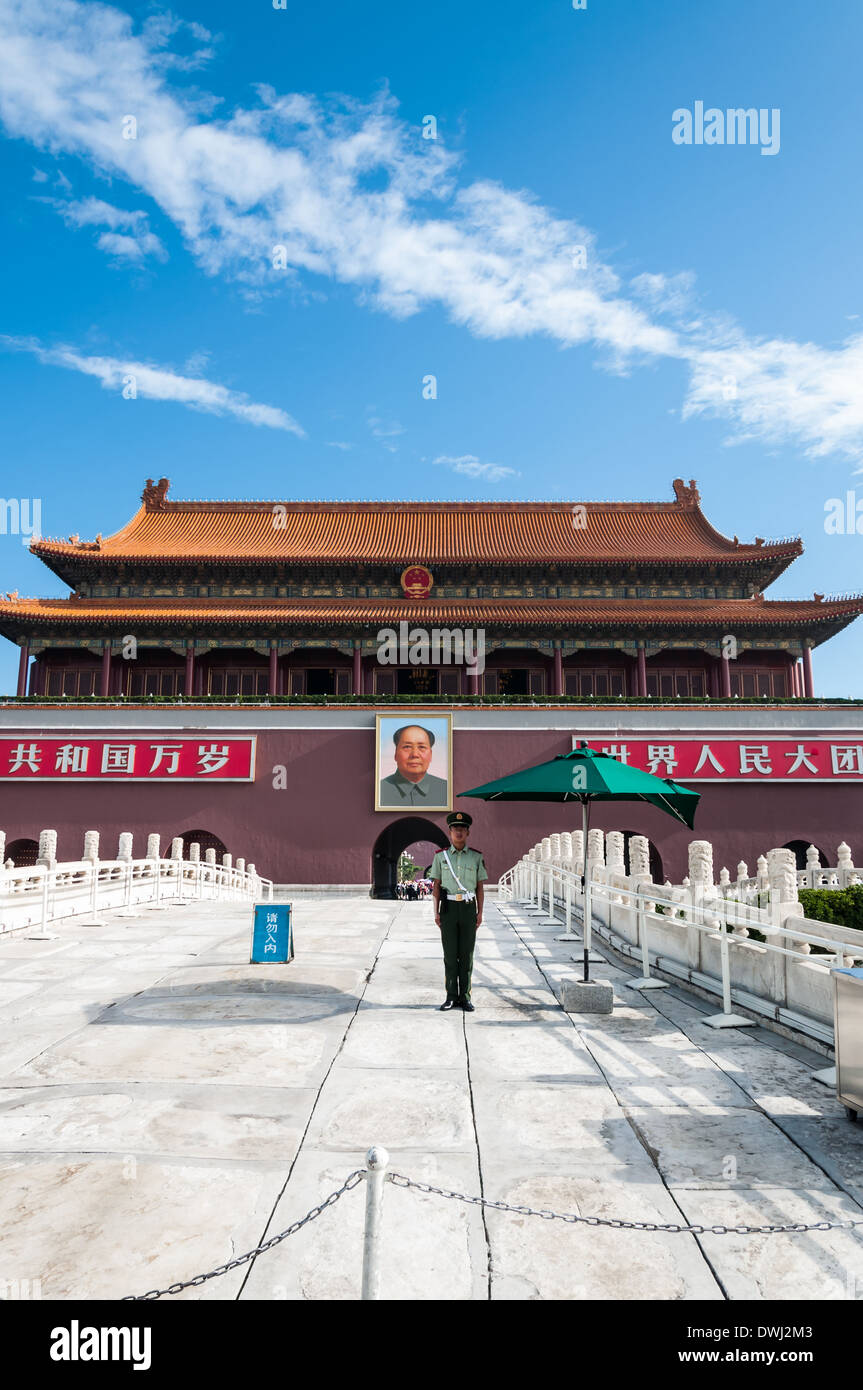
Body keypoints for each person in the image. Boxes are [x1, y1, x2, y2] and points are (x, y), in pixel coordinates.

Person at [430, 811, 487, 1012]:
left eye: (462, 829)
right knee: (450, 955)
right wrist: (435, 912)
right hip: (449, 909)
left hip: (468, 908)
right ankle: (451, 996)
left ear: (468, 832)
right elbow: (436, 886)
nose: (459, 832)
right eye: (455, 829)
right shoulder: (440, 858)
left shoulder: (476, 857)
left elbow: (479, 887)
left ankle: (465, 997)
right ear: (450, 832)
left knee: (467, 955)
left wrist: (480, 913)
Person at [379, 724, 449, 807]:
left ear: (430, 755)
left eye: (422, 747)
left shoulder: (447, 790)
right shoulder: (379, 789)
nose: (415, 754)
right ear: (396, 754)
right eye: (407, 747)